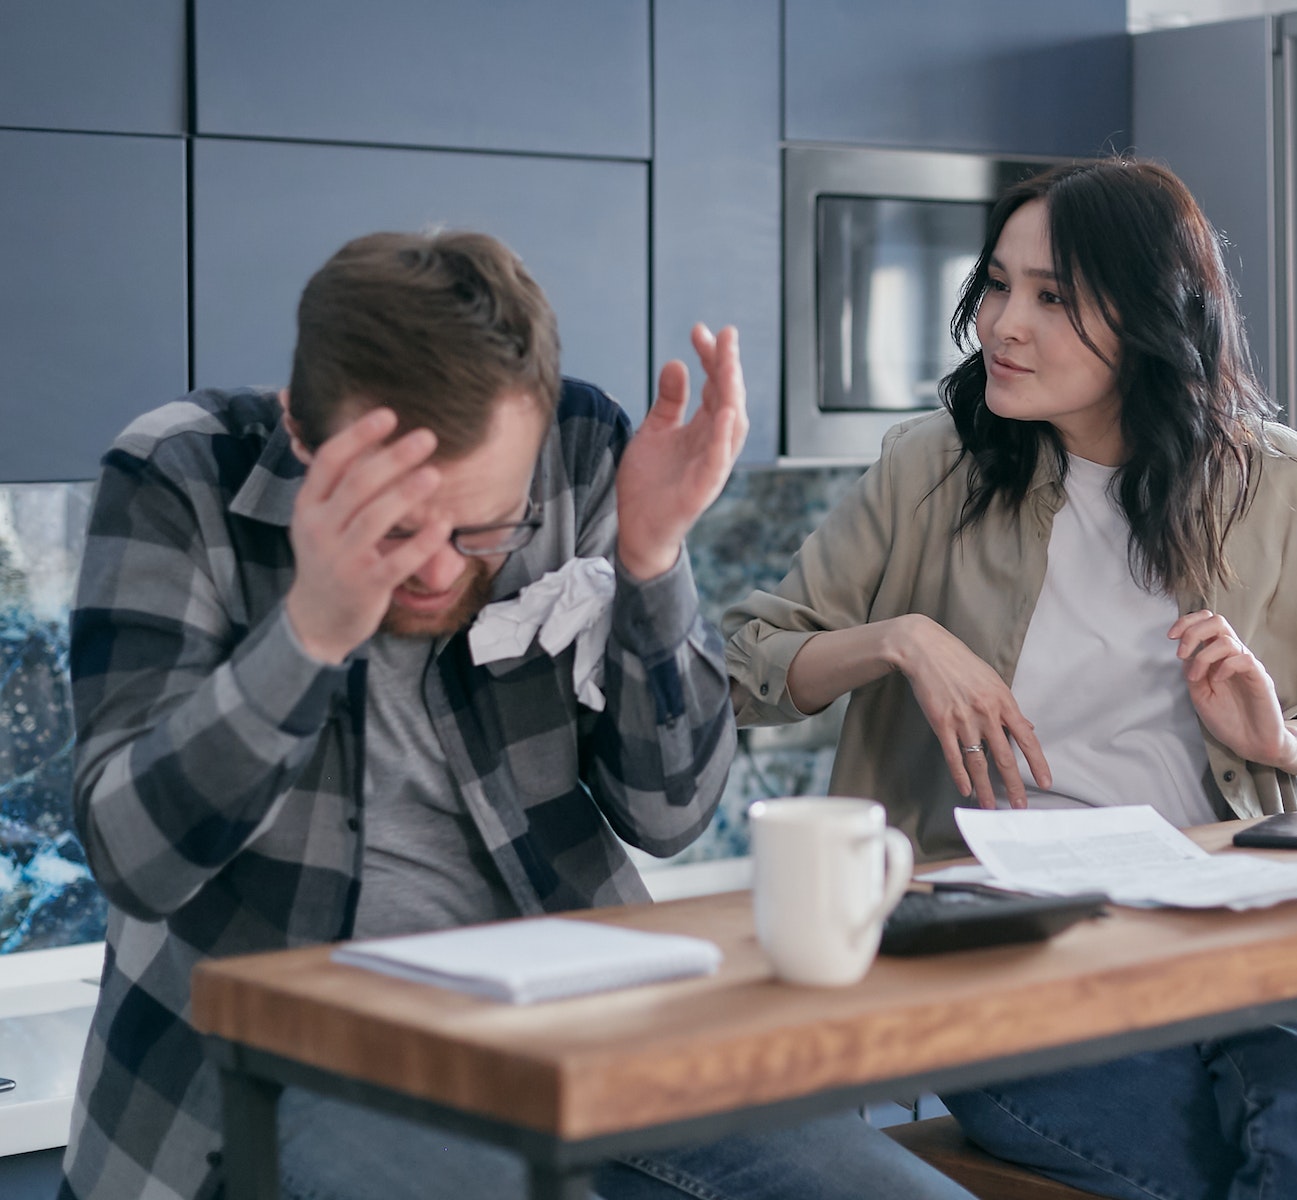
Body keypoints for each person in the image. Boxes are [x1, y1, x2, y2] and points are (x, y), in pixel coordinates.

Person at [60, 230, 977, 1200]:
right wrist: (310, 633)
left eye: (484, 529)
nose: (436, 570)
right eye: (393, 525)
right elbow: (134, 858)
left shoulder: (581, 452)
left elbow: (669, 815)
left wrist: (653, 559)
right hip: (294, 1060)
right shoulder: (181, 476)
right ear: (300, 429)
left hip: (582, 1022)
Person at [724, 160, 1297, 1200]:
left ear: (1147, 319)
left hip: (1224, 923)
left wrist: (1283, 744)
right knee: (1245, 1166)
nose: (1001, 323)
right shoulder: (930, 469)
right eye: (995, 284)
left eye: (1050, 298)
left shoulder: (1286, 491)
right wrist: (901, 639)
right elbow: (741, 666)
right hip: (1004, 946)